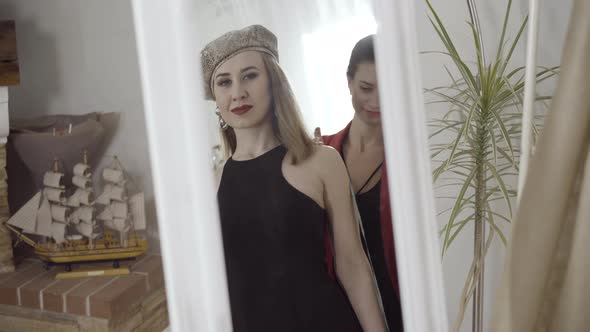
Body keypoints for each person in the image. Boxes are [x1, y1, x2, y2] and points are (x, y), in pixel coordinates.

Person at [201, 25, 386, 332]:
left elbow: (352, 266)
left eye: (249, 75)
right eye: (224, 82)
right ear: (216, 98)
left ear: (274, 83)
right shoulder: (211, 186)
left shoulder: (323, 162)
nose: (238, 93)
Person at [321, 35, 404, 331]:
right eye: (366, 88)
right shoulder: (320, 152)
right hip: (336, 313)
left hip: (399, 306)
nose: (376, 102)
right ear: (349, 82)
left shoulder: (407, 159)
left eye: (387, 89)